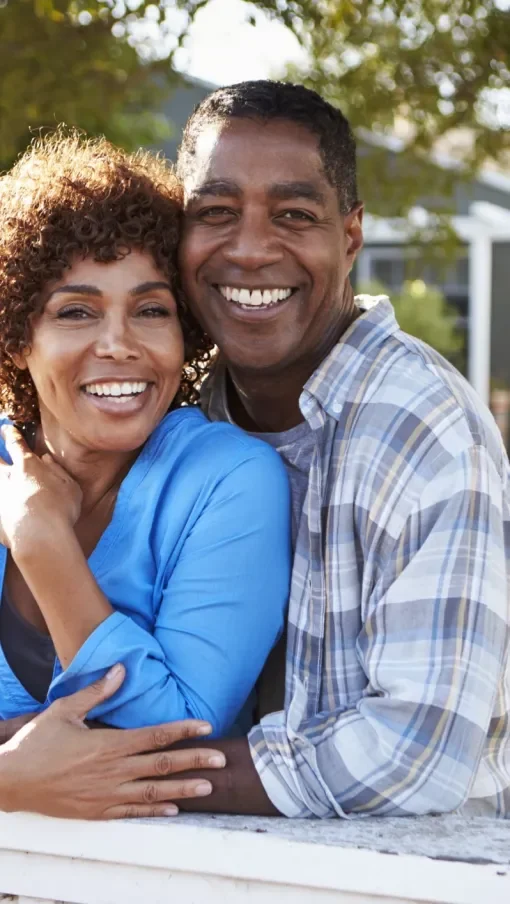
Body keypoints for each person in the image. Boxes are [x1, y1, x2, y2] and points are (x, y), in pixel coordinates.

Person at [1, 80, 509, 822]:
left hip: (407, 877)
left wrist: (63, 775)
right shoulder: (196, 401)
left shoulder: (420, 430)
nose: (248, 248)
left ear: (352, 237)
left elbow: (413, 756)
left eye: (295, 215)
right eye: (215, 213)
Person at [0, 130, 292, 817]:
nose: (119, 345)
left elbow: (175, 740)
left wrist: (42, 544)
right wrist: (12, 779)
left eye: (151, 310)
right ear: (17, 340)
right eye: (77, 311)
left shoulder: (229, 482)